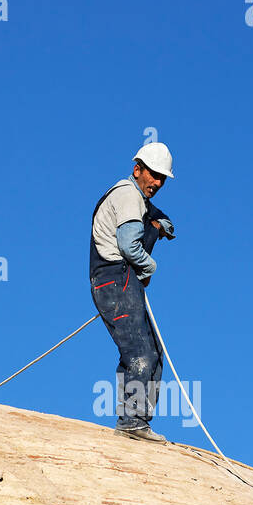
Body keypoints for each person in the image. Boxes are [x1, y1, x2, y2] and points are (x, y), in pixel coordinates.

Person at [88, 143, 177, 442]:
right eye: (154, 175)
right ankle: (131, 421)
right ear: (137, 169)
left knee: (153, 352)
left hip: (118, 279)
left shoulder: (134, 195)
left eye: (163, 178)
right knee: (140, 353)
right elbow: (128, 245)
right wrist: (149, 266)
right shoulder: (127, 195)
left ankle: (137, 421)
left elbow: (153, 216)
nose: (158, 183)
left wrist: (160, 224)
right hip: (114, 280)